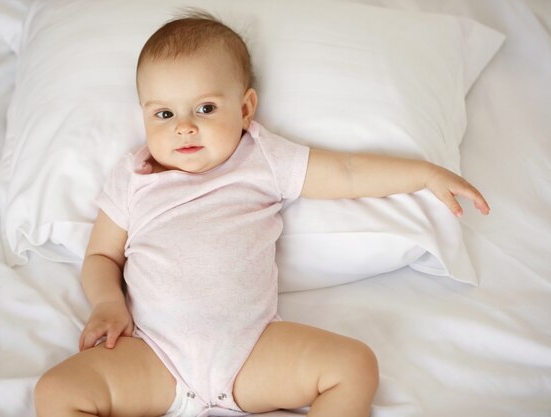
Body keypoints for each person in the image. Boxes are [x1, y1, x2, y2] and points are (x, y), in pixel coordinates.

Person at [34, 10, 490, 417]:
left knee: (353, 364)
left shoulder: (262, 159)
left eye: (205, 108)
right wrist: (108, 304)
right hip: (154, 355)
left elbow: (347, 172)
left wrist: (424, 174)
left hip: (249, 351)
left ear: (246, 108)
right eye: (164, 113)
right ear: (144, 118)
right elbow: (101, 257)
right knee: (56, 391)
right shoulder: (132, 176)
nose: (184, 126)